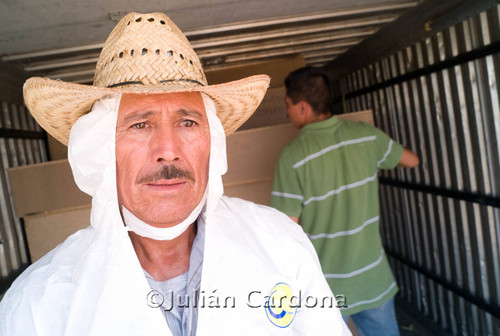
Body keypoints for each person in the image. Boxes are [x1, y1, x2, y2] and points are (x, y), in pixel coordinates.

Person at [0, 13, 351, 336]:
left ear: (211, 141)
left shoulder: (281, 245)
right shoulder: (39, 304)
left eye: (187, 122)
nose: (168, 149)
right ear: (100, 148)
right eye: (139, 124)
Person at [270, 66, 419, 335]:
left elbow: (285, 230)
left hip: (327, 289)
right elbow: (411, 160)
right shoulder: (367, 136)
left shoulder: (293, 157)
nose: (287, 111)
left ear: (302, 107)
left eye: (287, 105)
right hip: (374, 280)